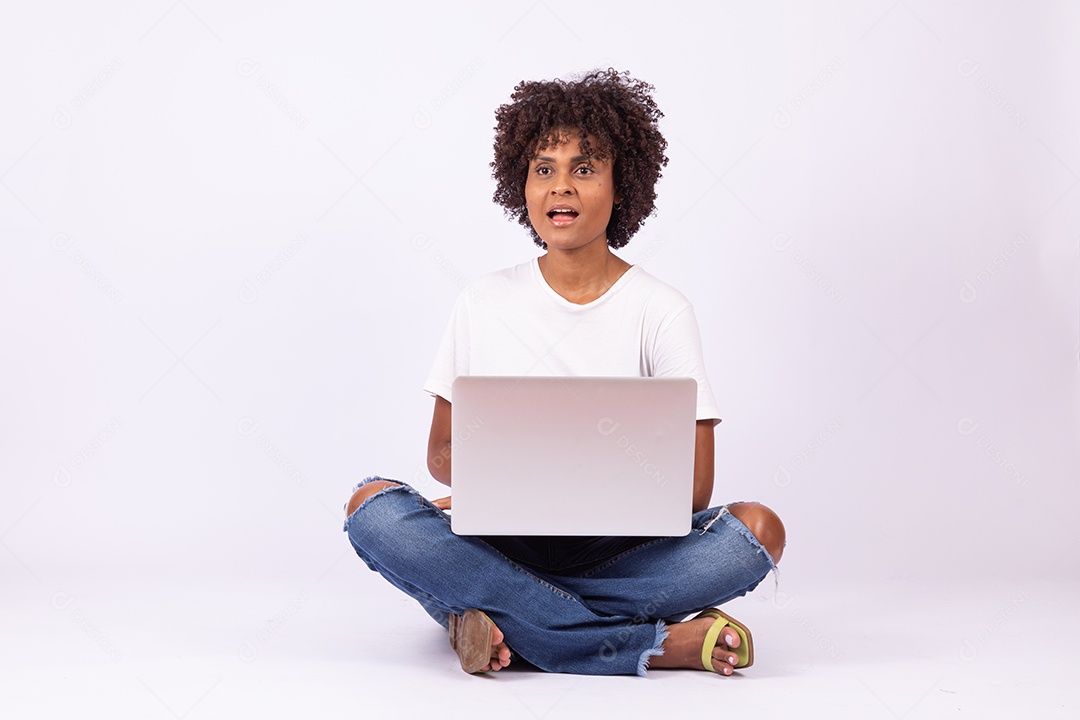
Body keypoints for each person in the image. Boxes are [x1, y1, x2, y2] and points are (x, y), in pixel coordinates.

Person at [343, 69, 785, 677]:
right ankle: (652, 645)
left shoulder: (662, 310)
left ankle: (486, 615)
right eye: (544, 169)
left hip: (621, 552)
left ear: (620, 184)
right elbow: (441, 454)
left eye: (584, 168)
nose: (561, 188)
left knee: (757, 532)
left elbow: (695, 490)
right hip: (501, 539)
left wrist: (588, 486)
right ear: (520, 185)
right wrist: (503, 473)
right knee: (371, 508)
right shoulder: (482, 300)